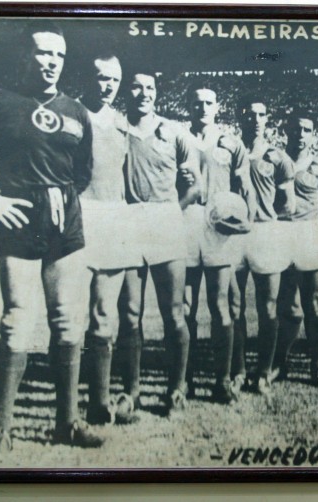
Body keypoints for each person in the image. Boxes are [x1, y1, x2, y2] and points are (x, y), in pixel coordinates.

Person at [0, 21, 103, 462]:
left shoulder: (77, 111)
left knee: (68, 322)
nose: (51, 62)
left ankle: (66, 423)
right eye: (42, 53)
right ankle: (1, 432)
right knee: (16, 321)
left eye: (59, 55)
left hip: (64, 220)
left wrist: (61, 201)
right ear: (24, 56)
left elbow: (83, 172)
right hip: (17, 217)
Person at [123, 69, 202, 414]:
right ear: (129, 91)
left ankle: (176, 388)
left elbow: (196, 185)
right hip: (128, 224)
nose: (144, 93)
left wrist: (173, 211)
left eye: (150, 87)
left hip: (166, 222)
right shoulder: (117, 128)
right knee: (129, 315)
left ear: (157, 92)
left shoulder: (174, 132)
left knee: (174, 313)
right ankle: (132, 391)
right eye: (137, 87)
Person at [77, 53, 146, 426]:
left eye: (113, 79)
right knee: (73, 317)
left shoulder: (123, 124)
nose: (107, 85)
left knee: (106, 313)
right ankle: (71, 406)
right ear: (89, 77)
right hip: (81, 219)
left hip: (115, 221)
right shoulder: (74, 115)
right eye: (101, 77)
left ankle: (99, 405)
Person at [181, 82, 255, 404]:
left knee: (220, 304)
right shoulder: (177, 137)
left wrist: (245, 221)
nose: (203, 108)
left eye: (209, 102)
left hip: (218, 227)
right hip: (186, 222)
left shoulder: (230, 142)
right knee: (184, 307)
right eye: (197, 102)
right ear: (189, 105)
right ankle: (184, 379)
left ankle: (222, 381)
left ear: (217, 106)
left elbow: (246, 186)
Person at [229, 97, 296, 395]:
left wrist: (268, 221)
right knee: (233, 306)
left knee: (268, 306)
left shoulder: (278, 157)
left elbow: (289, 204)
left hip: (267, 234)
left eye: (261, 114)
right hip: (233, 236)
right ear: (239, 114)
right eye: (249, 112)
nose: (255, 118)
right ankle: (239, 370)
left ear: (267, 119)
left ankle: (264, 371)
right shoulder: (228, 151)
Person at [270, 111, 318, 388]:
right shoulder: (274, 160)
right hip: (281, 234)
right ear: (287, 130)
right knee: (286, 305)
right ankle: (279, 362)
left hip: (309, 235)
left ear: (313, 135)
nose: (301, 134)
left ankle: (317, 364)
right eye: (296, 128)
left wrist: (308, 230)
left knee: (314, 303)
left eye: (307, 130)